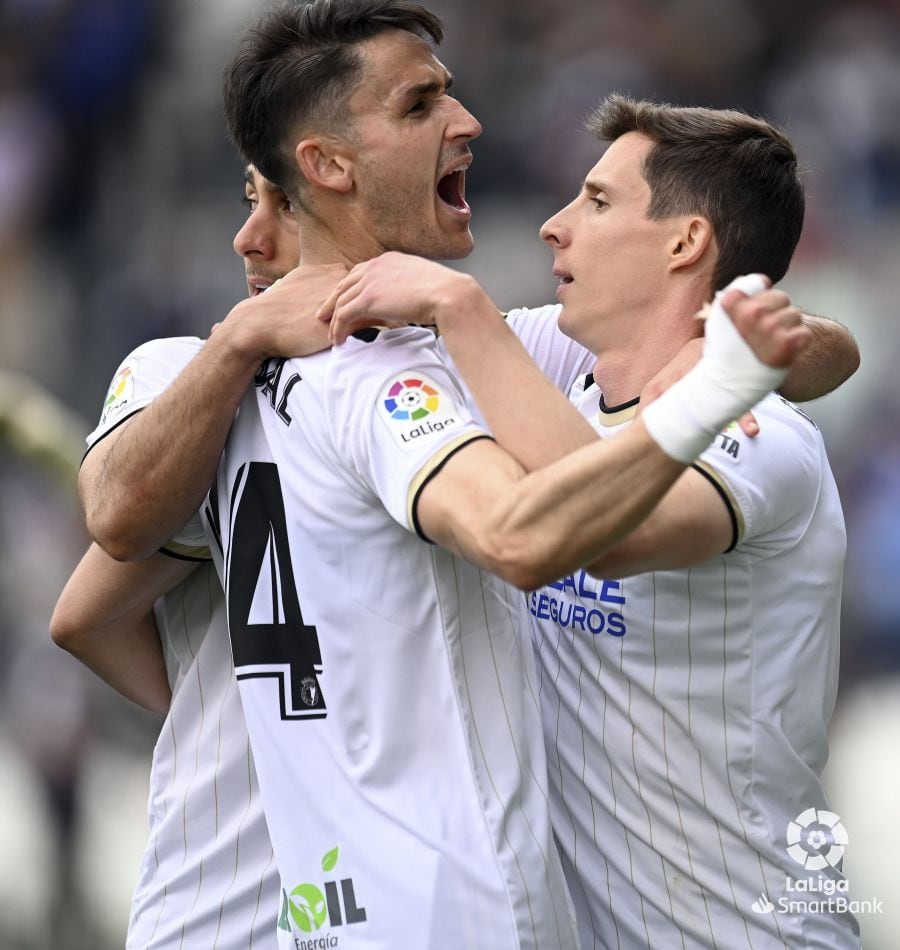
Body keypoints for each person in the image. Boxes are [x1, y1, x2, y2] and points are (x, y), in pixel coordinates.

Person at [67, 2, 856, 947]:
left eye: (596, 202)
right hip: (406, 908)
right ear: (326, 167)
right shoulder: (342, 375)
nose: (557, 224)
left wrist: (751, 358)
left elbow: (89, 606)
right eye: (422, 102)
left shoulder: (510, 363)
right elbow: (107, 550)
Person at [320, 94, 860, 948]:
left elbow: (604, 535)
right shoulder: (561, 368)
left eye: (599, 202)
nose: (554, 226)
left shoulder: (757, 437)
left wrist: (458, 306)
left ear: (686, 243)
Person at [50, 166, 309, 949]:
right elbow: (84, 611)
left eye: (282, 204)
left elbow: (82, 622)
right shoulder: (208, 392)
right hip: (238, 902)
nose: (248, 237)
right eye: (247, 201)